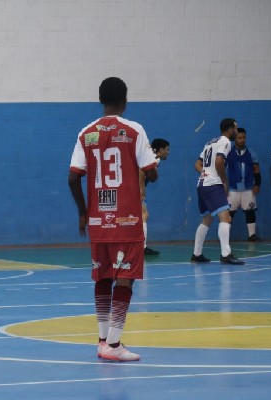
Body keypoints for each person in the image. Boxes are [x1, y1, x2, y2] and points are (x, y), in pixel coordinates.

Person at [68, 77, 158, 362]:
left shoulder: (86, 133)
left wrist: (83, 212)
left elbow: (73, 178)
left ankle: (102, 340)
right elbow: (152, 173)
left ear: (100, 100)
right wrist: (150, 165)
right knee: (125, 278)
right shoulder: (134, 130)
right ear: (125, 101)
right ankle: (114, 344)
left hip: (98, 220)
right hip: (126, 220)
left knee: (103, 276)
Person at [191, 118, 244, 265]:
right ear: (230, 129)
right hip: (213, 185)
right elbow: (219, 161)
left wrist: (205, 173)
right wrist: (224, 181)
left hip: (202, 184)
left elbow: (197, 164)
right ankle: (226, 254)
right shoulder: (225, 141)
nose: (237, 131)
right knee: (226, 218)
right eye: (236, 128)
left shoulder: (210, 142)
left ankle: (196, 254)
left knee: (207, 220)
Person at [226, 127, 262, 242]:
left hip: (248, 188)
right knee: (229, 213)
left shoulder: (251, 153)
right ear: (235, 139)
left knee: (250, 211)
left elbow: (256, 170)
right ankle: (225, 236)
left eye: (244, 138)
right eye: (239, 138)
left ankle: (252, 235)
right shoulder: (228, 153)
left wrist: (257, 184)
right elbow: (221, 169)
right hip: (232, 189)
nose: (242, 140)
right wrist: (223, 185)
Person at [140, 138, 170, 256]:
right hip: (133, 189)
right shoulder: (153, 159)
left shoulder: (151, 157)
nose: (168, 152)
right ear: (160, 150)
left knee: (137, 217)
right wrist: (141, 191)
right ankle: (142, 248)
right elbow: (140, 172)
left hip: (129, 188)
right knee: (144, 215)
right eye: (167, 149)